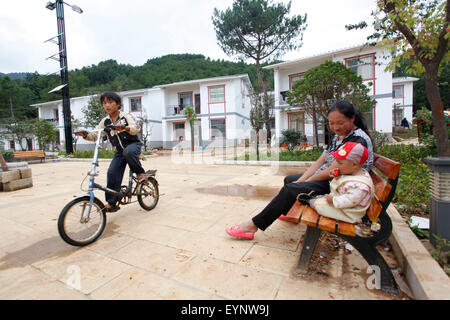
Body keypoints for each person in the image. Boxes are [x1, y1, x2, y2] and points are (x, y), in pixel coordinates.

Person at [225, 100, 374, 240]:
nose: (335, 127)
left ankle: (252, 226)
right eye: (331, 123)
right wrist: (302, 180)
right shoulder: (339, 136)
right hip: (334, 179)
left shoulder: (357, 140)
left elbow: (332, 171)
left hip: (341, 186)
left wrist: (305, 182)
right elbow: (319, 162)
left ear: (352, 118)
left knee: (292, 188)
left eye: (340, 123)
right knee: (290, 180)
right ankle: (287, 211)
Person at [76, 91, 148, 212]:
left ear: (118, 104)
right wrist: (85, 135)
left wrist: (124, 127)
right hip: (119, 151)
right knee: (111, 173)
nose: (107, 105)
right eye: (104, 103)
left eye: (110, 102)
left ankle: (140, 173)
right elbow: (95, 135)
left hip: (133, 145)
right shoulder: (105, 122)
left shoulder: (126, 116)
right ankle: (112, 202)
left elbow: (136, 128)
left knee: (128, 152)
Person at [308, 142, 374, 224]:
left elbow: (350, 200)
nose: (337, 165)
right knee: (320, 200)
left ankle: (315, 203)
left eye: (340, 163)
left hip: (350, 212)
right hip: (343, 205)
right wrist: (336, 175)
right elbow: (340, 179)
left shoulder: (359, 185)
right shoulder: (351, 172)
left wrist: (334, 200)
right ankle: (316, 201)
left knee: (320, 205)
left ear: (354, 164)